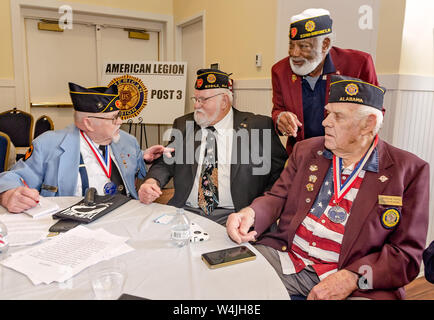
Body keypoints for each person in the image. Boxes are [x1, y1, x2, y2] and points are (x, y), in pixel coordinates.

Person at [226, 75, 429, 300]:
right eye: (328, 112)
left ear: (369, 124)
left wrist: (353, 278)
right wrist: (250, 213)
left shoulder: (408, 171)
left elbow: (406, 258)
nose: (325, 122)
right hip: (288, 258)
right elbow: (277, 197)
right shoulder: (305, 151)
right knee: (224, 281)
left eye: (338, 117)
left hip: (357, 283)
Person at [139, 69, 288, 225]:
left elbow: (281, 174)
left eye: (203, 100)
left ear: (224, 101)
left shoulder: (258, 126)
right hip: (186, 211)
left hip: (235, 215)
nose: (196, 105)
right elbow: (166, 161)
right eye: (195, 99)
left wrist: (259, 209)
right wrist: (152, 181)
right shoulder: (184, 124)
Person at [0, 82, 171, 213]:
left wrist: (144, 158)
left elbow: (132, 166)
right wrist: (8, 194)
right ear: (88, 123)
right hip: (72, 223)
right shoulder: (49, 145)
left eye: (119, 116)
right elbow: (11, 177)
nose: (120, 121)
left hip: (123, 216)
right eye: (113, 118)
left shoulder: (126, 141)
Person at [272, 8, 379, 155]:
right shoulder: (280, 71)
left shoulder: (358, 64)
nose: (294, 53)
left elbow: (375, 112)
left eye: (303, 46)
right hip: (302, 155)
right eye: (291, 45)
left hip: (347, 154)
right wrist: (280, 118)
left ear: (325, 44)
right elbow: (277, 109)